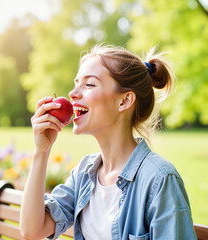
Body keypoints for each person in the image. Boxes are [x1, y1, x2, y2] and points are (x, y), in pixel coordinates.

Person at [19, 44, 197, 240]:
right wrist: (41, 151)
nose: (73, 94)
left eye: (89, 84)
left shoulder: (160, 179)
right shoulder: (85, 174)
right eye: (77, 83)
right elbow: (32, 231)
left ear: (125, 101)